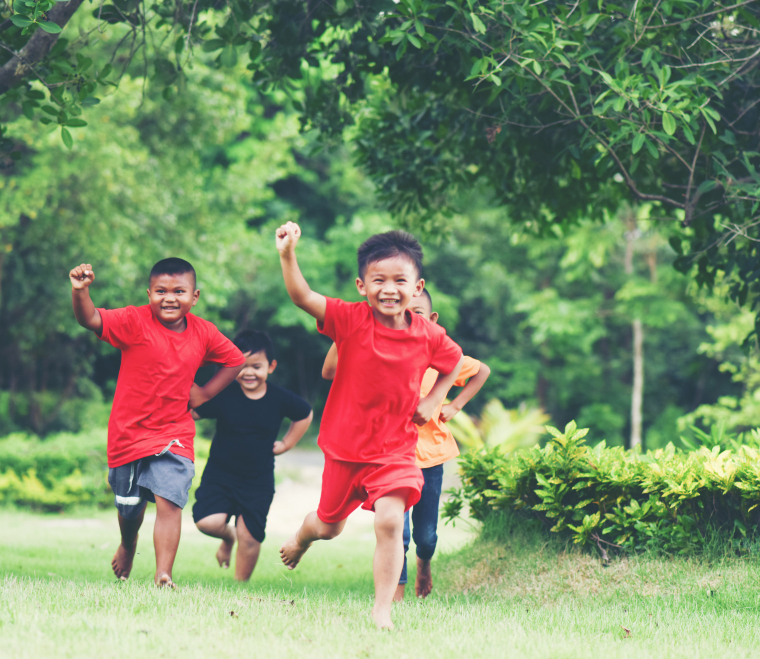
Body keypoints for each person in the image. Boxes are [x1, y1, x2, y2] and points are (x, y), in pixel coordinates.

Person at [274, 221, 464, 630]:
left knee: (392, 519)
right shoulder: (350, 320)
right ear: (362, 285)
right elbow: (302, 296)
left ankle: (382, 610)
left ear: (417, 287)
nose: (389, 289)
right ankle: (301, 538)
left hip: (395, 451)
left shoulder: (428, 335)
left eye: (400, 280)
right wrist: (288, 254)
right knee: (327, 526)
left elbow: (454, 360)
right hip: (344, 449)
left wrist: (433, 401)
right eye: (379, 280)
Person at [69, 257, 246, 588]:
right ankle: (128, 543)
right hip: (128, 435)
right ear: (149, 293)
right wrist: (81, 291)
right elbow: (90, 318)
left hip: (174, 433)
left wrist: (205, 393)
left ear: (194, 297)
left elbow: (235, 360)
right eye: (161, 291)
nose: (169, 298)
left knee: (170, 500)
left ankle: (163, 572)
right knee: (129, 508)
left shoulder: (203, 331)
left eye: (179, 291)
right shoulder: (134, 320)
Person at [322, 288, 490, 601]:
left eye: (417, 315)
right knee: (398, 532)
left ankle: (424, 564)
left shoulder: (441, 356)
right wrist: (345, 331)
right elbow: (330, 372)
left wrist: (452, 405)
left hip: (431, 459)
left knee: (425, 537)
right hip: (389, 459)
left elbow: (481, 370)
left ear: (433, 321)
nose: (406, 322)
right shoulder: (379, 353)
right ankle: (394, 599)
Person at [190, 329, 313, 582]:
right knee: (207, 522)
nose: (248, 372)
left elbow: (304, 413)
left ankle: (240, 584)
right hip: (220, 475)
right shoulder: (223, 395)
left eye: (256, 366)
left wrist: (287, 443)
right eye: (241, 366)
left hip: (258, 480)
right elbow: (193, 410)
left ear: (271, 366)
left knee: (250, 536)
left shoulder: (279, 398)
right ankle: (227, 537)